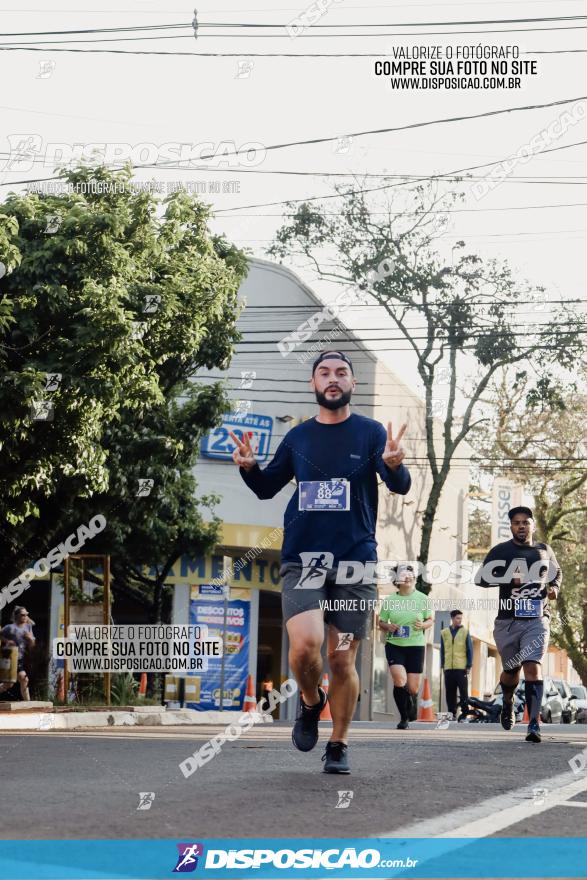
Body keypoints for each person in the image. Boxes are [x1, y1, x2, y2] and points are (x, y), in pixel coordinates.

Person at [230, 350, 411, 773]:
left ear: (353, 384)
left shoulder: (370, 434)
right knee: (305, 647)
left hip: (355, 563)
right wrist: (250, 468)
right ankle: (311, 703)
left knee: (342, 658)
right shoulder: (298, 438)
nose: (333, 379)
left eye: (341, 373)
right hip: (304, 558)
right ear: (314, 384)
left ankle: (339, 743)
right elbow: (265, 488)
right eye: (324, 373)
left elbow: (398, 486)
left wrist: (394, 465)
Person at [475, 506, 561, 743]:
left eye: (525, 522)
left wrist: (553, 589)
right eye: (516, 522)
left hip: (537, 619)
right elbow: (480, 579)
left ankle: (533, 724)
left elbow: (556, 573)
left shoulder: (544, 550)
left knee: (533, 665)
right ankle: (508, 700)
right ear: (511, 526)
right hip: (508, 621)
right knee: (512, 670)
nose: (521, 526)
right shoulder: (501, 551)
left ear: (532, 525)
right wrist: (505, 576)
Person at [378, 564, 433, 728]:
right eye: (403, 575)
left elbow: (430, 620)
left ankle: (408, 702)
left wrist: (423, 625)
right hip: (395, 644)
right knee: (399, 679)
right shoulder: (390, 600)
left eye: (410, 574)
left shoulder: (423, 599)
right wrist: (388, 626)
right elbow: (380, 621)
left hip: (415, 646)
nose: (408, 577)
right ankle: (404, 718)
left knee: (413, 688)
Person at [440, 610, 473, 720]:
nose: (459, 620)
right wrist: (443, 666)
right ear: (452, 619)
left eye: (460, 618)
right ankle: (452, 714)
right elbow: (443, 650)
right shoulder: (444, 632)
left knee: (463, 693)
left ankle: (464, 714)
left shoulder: (465, 632)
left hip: (461, 668)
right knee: (450, 693)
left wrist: (468, 665)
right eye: (457, 618)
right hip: (448, 668)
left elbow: (469, 649)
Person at [0, 606, 35, 701]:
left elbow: (32, 644)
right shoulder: (9, 628)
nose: (25, 617)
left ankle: (28, 704)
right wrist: (7, 641)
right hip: (10, 658)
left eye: (26, 615)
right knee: (9, 683)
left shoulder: (28, 627)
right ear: (17, 616)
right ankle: (28, 703)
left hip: (20, 659)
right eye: (22, 615)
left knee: (24, 680)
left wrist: (29, 638)